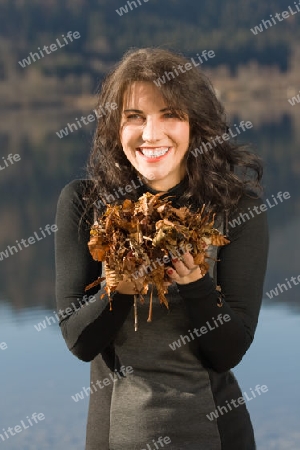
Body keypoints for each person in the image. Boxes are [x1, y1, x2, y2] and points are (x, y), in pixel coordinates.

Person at [55, 48, 269, 450]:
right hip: (114, 434)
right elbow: (80, 342)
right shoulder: (86, 204)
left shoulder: (236, 210)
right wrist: (117, 291)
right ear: (115, 128)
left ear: (197, 124)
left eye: (170, 114)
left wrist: (197, 286)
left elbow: (229, 352)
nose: (151, 134)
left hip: (215, 433)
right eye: (134, 117)